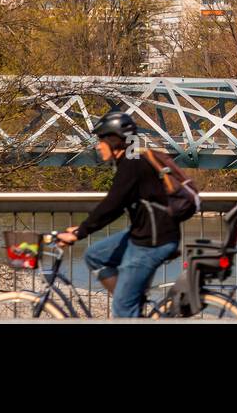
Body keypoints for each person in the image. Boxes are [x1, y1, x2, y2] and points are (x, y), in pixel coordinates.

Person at [55, 109, 180, 318]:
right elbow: (115, 206)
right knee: (95, 255)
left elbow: (112, 204)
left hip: (152, 242)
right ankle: (132, 299)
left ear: (113, 141)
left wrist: (79, 233)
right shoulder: (130, 164)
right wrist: (82, 229)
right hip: (143, 235)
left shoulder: (132, 166)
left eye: (100, 140)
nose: (97, 145)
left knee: (122, 308)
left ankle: (128, 305)